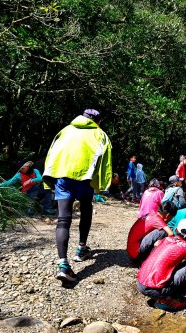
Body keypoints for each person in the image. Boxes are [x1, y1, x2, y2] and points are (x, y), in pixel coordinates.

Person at [43, 109, 112, 283]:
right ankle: (81, 248)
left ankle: (63, 264)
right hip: (84, 179)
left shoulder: (65, 130)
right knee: (86, 209)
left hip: (62, 177)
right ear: (98, 120)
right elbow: (106, 161)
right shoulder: (99, 134)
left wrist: (48, 179)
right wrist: (102, 185)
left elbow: (51, 153)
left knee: (63, 220)